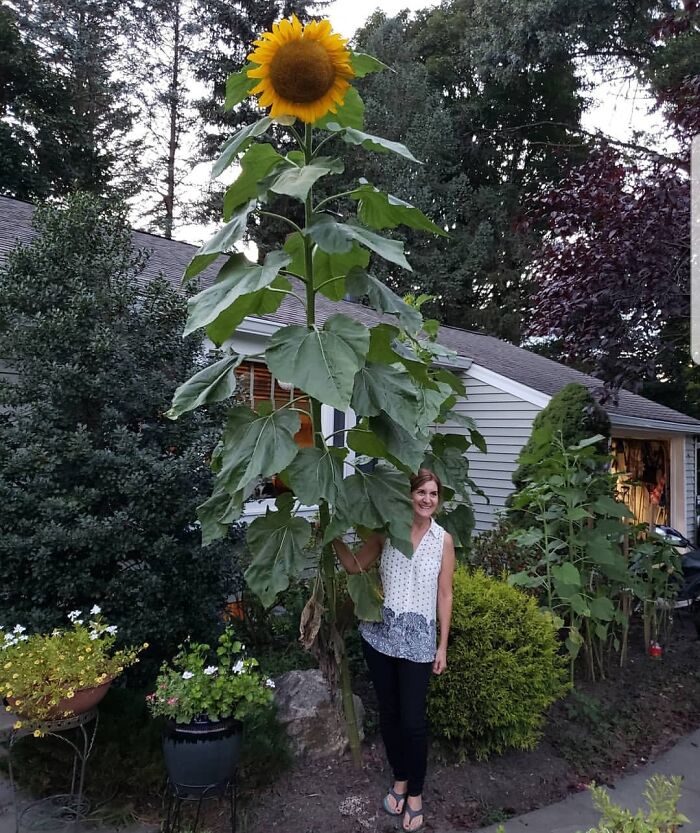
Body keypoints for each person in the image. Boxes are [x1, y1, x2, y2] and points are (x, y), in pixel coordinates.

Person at [333, 469, 456, 833]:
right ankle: (399, 779)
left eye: (433, 494)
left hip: (419, 642)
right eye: (421, 492)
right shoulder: (388, 531)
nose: (427, 499)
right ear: (409, 495)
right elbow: (355, 566)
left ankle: (415, 794)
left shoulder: (442, 540)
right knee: (389, 715)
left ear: (439, 499)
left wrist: (442, 646)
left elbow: (445, 594)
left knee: (413, 722)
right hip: (381, 637)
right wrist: (331, 538)